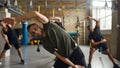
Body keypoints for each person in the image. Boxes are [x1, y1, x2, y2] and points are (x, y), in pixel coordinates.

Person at [2, 11, 87, 68]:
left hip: (76, 53)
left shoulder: (48, 25)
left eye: (35, 28)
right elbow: (59, 56)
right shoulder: (45, 44)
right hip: (65, 56)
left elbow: (35, 13)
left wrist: (16, 20)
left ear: (38, 26)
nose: (35, 31)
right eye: (33, 32)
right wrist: (73, 65)